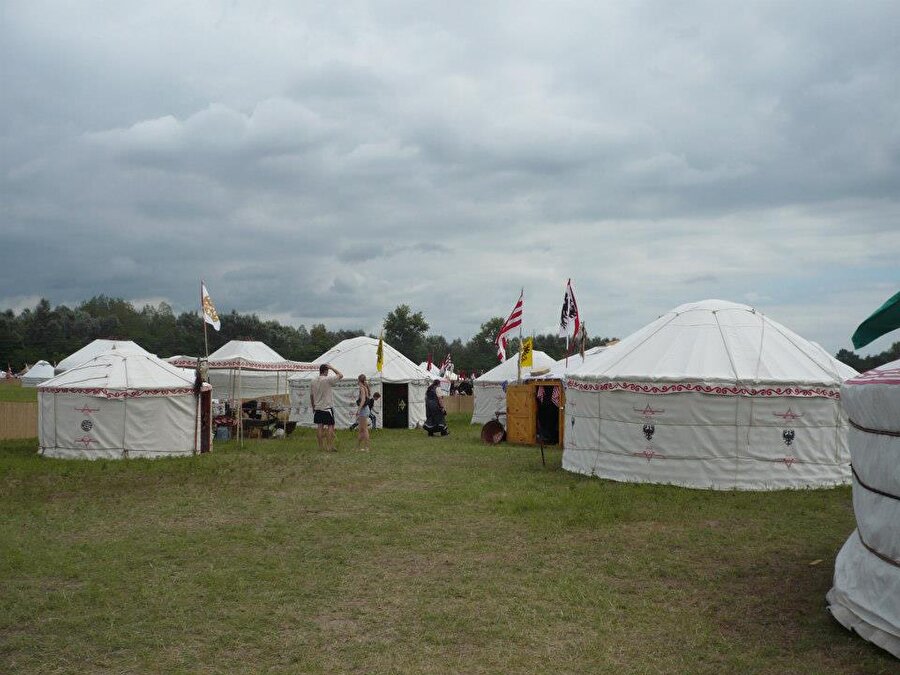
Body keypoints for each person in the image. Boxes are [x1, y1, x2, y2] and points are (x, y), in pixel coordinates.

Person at [311, 363, 343, 451]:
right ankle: (329, 447)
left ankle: (320, 447)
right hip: (327, 408)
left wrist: (313, 406)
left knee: (319, 426)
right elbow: (340, 375)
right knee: (330, 426)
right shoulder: (327, 379)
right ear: (325, 371)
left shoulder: (313, 381)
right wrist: (332, 367)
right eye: (327, 371)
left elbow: (311, 395)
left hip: (317, 408)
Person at [355, 374, 373, 452]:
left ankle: (366, 448)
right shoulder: (365, 387)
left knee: (364, 430)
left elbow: (362, 400)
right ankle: (358, 447)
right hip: (365, 409)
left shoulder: (362, 388)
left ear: (359, 380)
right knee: (361, 430)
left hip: (363, 410)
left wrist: (358, 410)